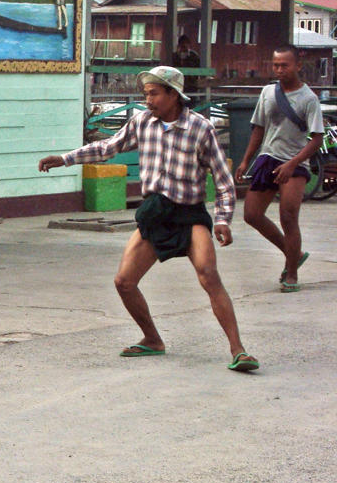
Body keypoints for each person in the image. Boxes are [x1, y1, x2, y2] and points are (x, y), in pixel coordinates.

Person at [38, 66, 259, 372]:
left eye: (154, 93)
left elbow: (223, 181)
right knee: (124, 282)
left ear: (174, 95)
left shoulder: (200, 128)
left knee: (208, 274)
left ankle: (239, 350)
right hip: (155, 212)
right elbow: (107, 147)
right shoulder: (141, 122)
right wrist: (65, 158)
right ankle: (152, 339)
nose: (148, 100)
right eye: (146, 94)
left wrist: (222, 220)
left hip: (189, 214)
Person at [236, 44, 324, 293]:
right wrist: (245, 161)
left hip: (295, 163)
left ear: (297, 65)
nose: (279, 70)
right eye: (275, 65)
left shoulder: (308, 98)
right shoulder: (267, 92)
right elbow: (259, 129)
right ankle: (293, 252)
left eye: (284, 65)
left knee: (288, 217)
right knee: (251, 214)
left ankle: (291, 271)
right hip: (268, 159)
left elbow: (316, 138)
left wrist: (293, 163)